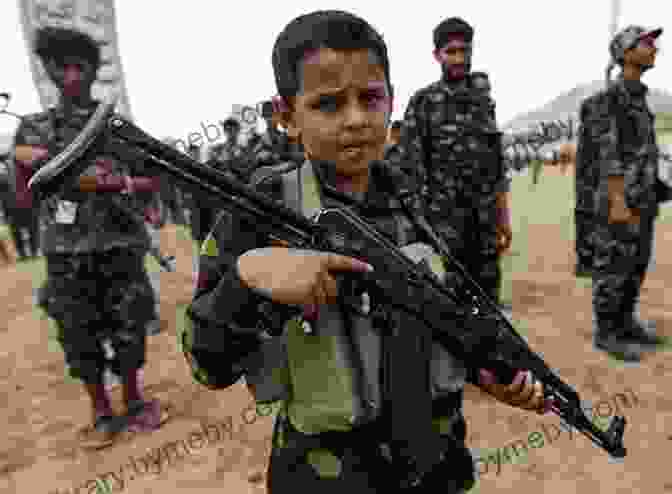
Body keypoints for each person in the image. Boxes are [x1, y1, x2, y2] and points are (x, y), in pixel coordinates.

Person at [180, 10, 551, 493]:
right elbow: (208, 367)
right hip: (326, 475)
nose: (355, 119)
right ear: (287, 115)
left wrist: (488, 373)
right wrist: (247, 280)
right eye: (329, 104)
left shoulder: (420, 198)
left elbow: (456, 313)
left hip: (436, 462)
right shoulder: (263, 209)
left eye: (370, 98)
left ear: (391, 101)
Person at [16, 26, 169, 448]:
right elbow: (24, 193)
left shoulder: (114, 126)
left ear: (89, 69)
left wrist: (117, 184)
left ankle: (135, 399)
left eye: (78, 65)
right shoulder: (34, 129)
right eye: (59, 65)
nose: (70, 75)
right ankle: (101, 409)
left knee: (130, 323)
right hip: (66, 252)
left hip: (120, 243)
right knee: (77, 331)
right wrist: (50, 170)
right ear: (47, 69)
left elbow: (148, 179)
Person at [390, 17, 511, 310]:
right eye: (451, 51)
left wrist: (503, 215)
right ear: (437, 56)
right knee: (452, 300)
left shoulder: (483, 101)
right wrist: (418, 226)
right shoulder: (424, 102)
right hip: (444, 224)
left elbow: (496, 165)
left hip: (484, 220)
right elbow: (409, 170)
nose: (459, 58)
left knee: (489, 295)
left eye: (464, 51)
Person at [589, 25, 666, 361]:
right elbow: (609, 154)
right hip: (620, 202)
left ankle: (625, 321)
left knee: (636, 264)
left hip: (643, 199)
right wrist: (618, 200)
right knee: (615, 266)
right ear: (625, 52)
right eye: (645, 42)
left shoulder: (639, 98)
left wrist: (659, 188)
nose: (654, 46)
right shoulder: (612, 98)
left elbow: (641, 152)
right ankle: (607, 332)